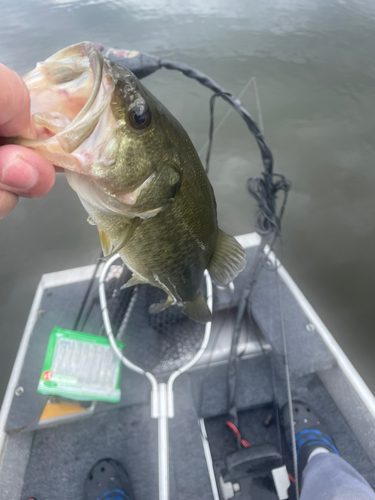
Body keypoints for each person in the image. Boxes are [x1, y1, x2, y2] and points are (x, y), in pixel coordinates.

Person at [1, 65, 374, 500]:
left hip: (162, 245)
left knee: (177, 281)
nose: (134, 118)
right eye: (139, 120)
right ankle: (320, 462)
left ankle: (318, 463)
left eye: (138, 120)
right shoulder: (131, 186)